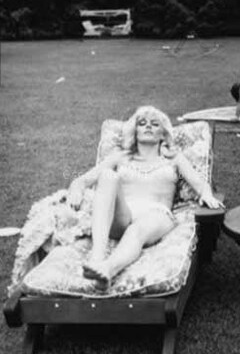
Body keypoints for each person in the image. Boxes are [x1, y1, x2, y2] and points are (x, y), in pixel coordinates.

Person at [66, 105, 224, 289]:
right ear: (135, 131)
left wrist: (206, 194)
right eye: (142, 123)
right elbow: (83, 179)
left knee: (136, 231)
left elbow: (199, 183)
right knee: (107, 176)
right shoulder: (121, 157)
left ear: (163, 134)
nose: (148, 126)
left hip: (156, 214)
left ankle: (107, 270)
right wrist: (76, 189)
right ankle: (97, 257)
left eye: (154, 124)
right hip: (123, 214)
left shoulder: (173, 159)